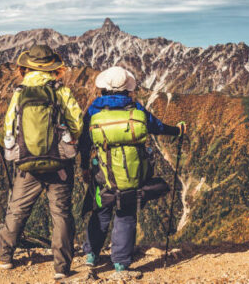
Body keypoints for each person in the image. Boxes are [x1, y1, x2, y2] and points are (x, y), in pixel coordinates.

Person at [79, 66, 186, 276]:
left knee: (101, 210)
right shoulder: (135, 109)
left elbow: (84, 140)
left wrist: (84, 166)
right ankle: (120, 263)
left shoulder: (94, 110)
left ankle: (91, 255)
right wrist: (178, 130)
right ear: (127, 88)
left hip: (103, 174)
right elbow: (157, 127)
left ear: (104, 88)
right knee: (126, 213)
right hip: (133, 173)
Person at [0, 44, 83, 280]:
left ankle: (4, 257)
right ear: (52, 67)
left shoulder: (19, 91)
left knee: (17, 210)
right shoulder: (60, 90)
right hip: (59, 164)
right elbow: (77, 124)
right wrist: (69, 138)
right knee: (61, 214)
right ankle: (61, 268)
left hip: (26, 164)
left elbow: (8, 127)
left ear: (28, 66)